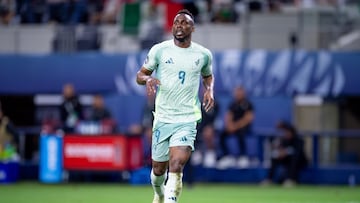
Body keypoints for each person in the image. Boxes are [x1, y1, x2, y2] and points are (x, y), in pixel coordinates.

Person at [136, 9, 214, 203]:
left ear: (192, 28)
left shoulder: (203, 54)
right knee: (158, 171)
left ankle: (171, 200)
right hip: (163, 118)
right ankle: (160, 194)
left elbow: (207, 75)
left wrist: (209, 90)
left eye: (185, 22)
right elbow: (140, 75)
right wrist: (147, 79)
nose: (179, 25)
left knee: (177, 164)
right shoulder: (159, 50)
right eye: (176, 22)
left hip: (187, 118)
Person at [261, 121, 308, 187]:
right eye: (286, 132)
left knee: (294, 159)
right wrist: (281, 153)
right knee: (274, 158)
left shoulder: (299, 141)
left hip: (299, 161)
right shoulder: (284, 140)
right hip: (287, 159)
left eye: (288, 132)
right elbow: (281, 149)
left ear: (292, 133)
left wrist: (287, 153)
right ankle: (269, 179)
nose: (286, 134)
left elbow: (297, 153)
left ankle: (291, 180)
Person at [218, 86, 254, 169]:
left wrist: (236, 126)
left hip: (244, 127)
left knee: (241, 134)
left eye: (240, 92)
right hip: (233, 127)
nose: (238, 94)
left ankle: (243, 157)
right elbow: (228, 116)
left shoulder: (248, 104)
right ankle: (226, 156)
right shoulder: (232, 104)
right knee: (222, 134)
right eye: (236, 93)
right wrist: (230, 126)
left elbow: (248, 119)